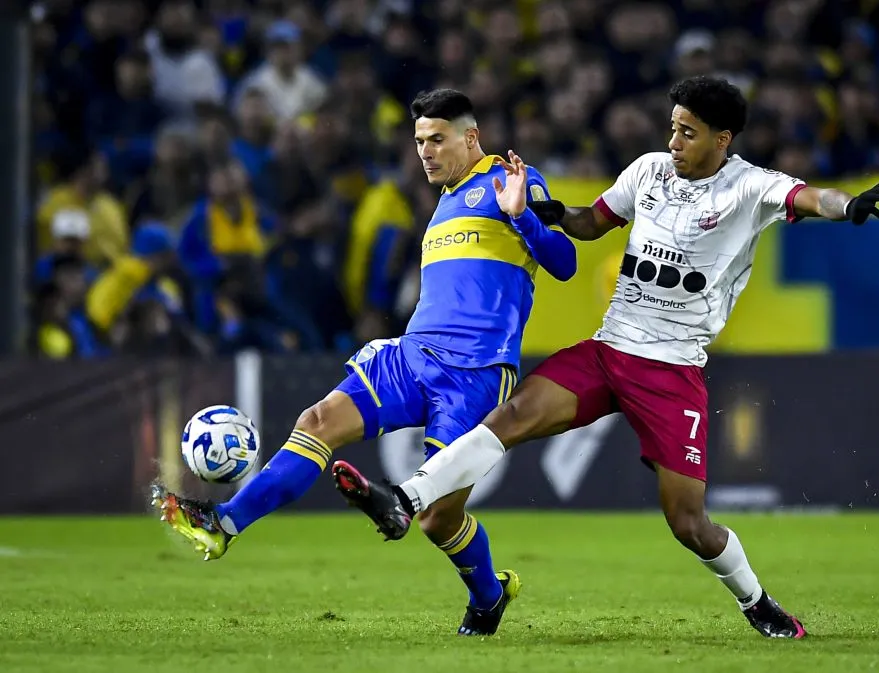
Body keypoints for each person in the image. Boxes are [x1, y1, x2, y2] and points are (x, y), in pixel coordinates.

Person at [331, 76, 879, 640]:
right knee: (510, 417)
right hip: (609, 349)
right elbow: (591, 223)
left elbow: (810, 198)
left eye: (688, 133)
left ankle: (757, 603)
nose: (674, 141)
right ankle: (402, 499)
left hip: (671, 370)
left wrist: (850, 206)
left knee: (689, 523)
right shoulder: (648, 171)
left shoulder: (749, 188)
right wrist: (540, 210)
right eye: (672, 127)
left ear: (723, 139)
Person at [151, 88, 577, 636]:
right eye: (419, 140)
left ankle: (489, 596)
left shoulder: (512, 180)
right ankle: (223, 522)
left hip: (474, 373)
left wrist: (524, 217)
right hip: (411, 354)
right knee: (317, 422)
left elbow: (564, 264)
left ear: (471, 137)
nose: (425, 151)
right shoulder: (443, 203)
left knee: (437, 518)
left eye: (437, 139)